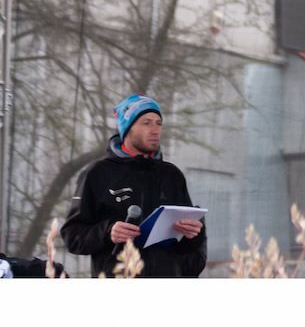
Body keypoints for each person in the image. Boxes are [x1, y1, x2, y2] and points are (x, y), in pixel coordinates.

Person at [61, 94, 205, 277]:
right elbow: (72, 236)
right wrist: (108, 232)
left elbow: (187, 248)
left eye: (158, 123)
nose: (155, 130)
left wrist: (193, 233)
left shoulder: (172, 175)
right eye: (147, 123)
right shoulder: (97, 173)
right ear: (127, 128)